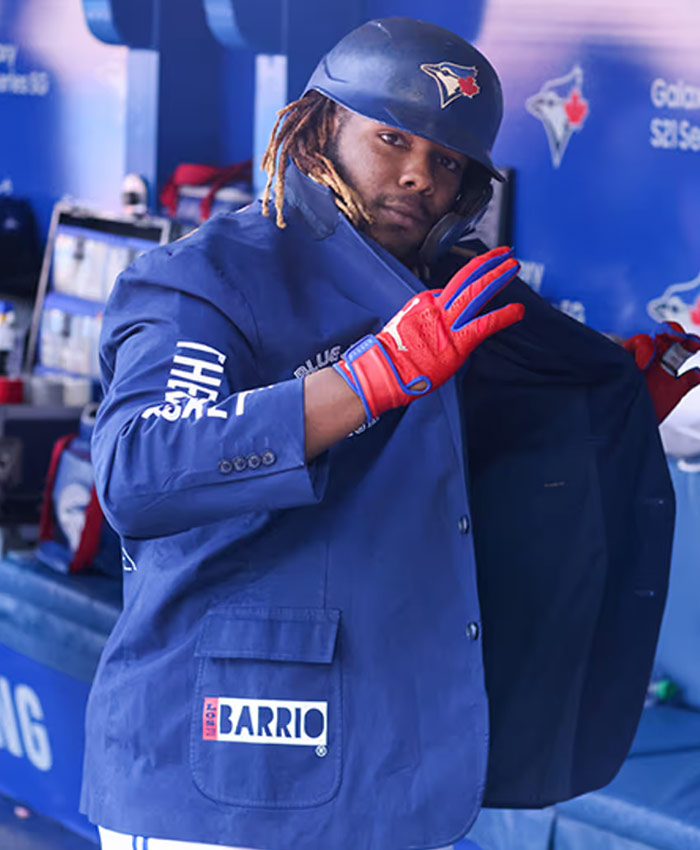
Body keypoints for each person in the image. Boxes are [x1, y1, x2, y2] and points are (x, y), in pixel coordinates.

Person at [80, 17, 697, 850]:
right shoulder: (208, 275)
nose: (418, 176)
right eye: (393, 138)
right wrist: (368, 380)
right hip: (229, 776)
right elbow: (142, 470)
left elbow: (457, 470)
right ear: (319, 126)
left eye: (447, 161)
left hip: (390, 768)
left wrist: (611, 413)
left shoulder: (449, 289)